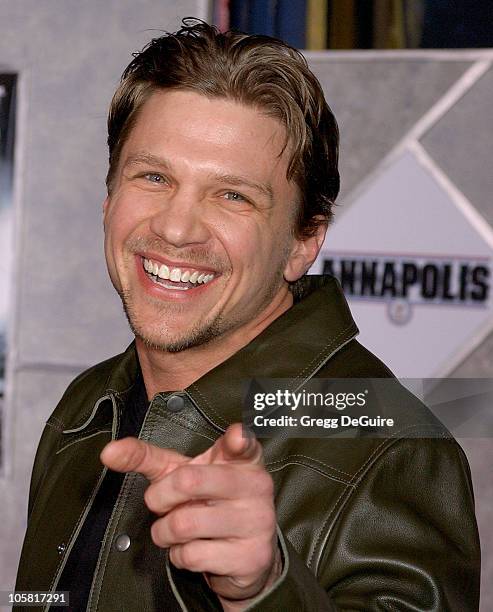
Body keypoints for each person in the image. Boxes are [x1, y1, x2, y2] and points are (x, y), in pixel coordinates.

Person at [15, 20, 480, 611]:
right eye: (154, 177)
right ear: (109, 199)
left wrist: (262, 590)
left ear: (303, 243)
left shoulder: (394, 445)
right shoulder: (86, 407)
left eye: (232, 195)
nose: (176, 228)